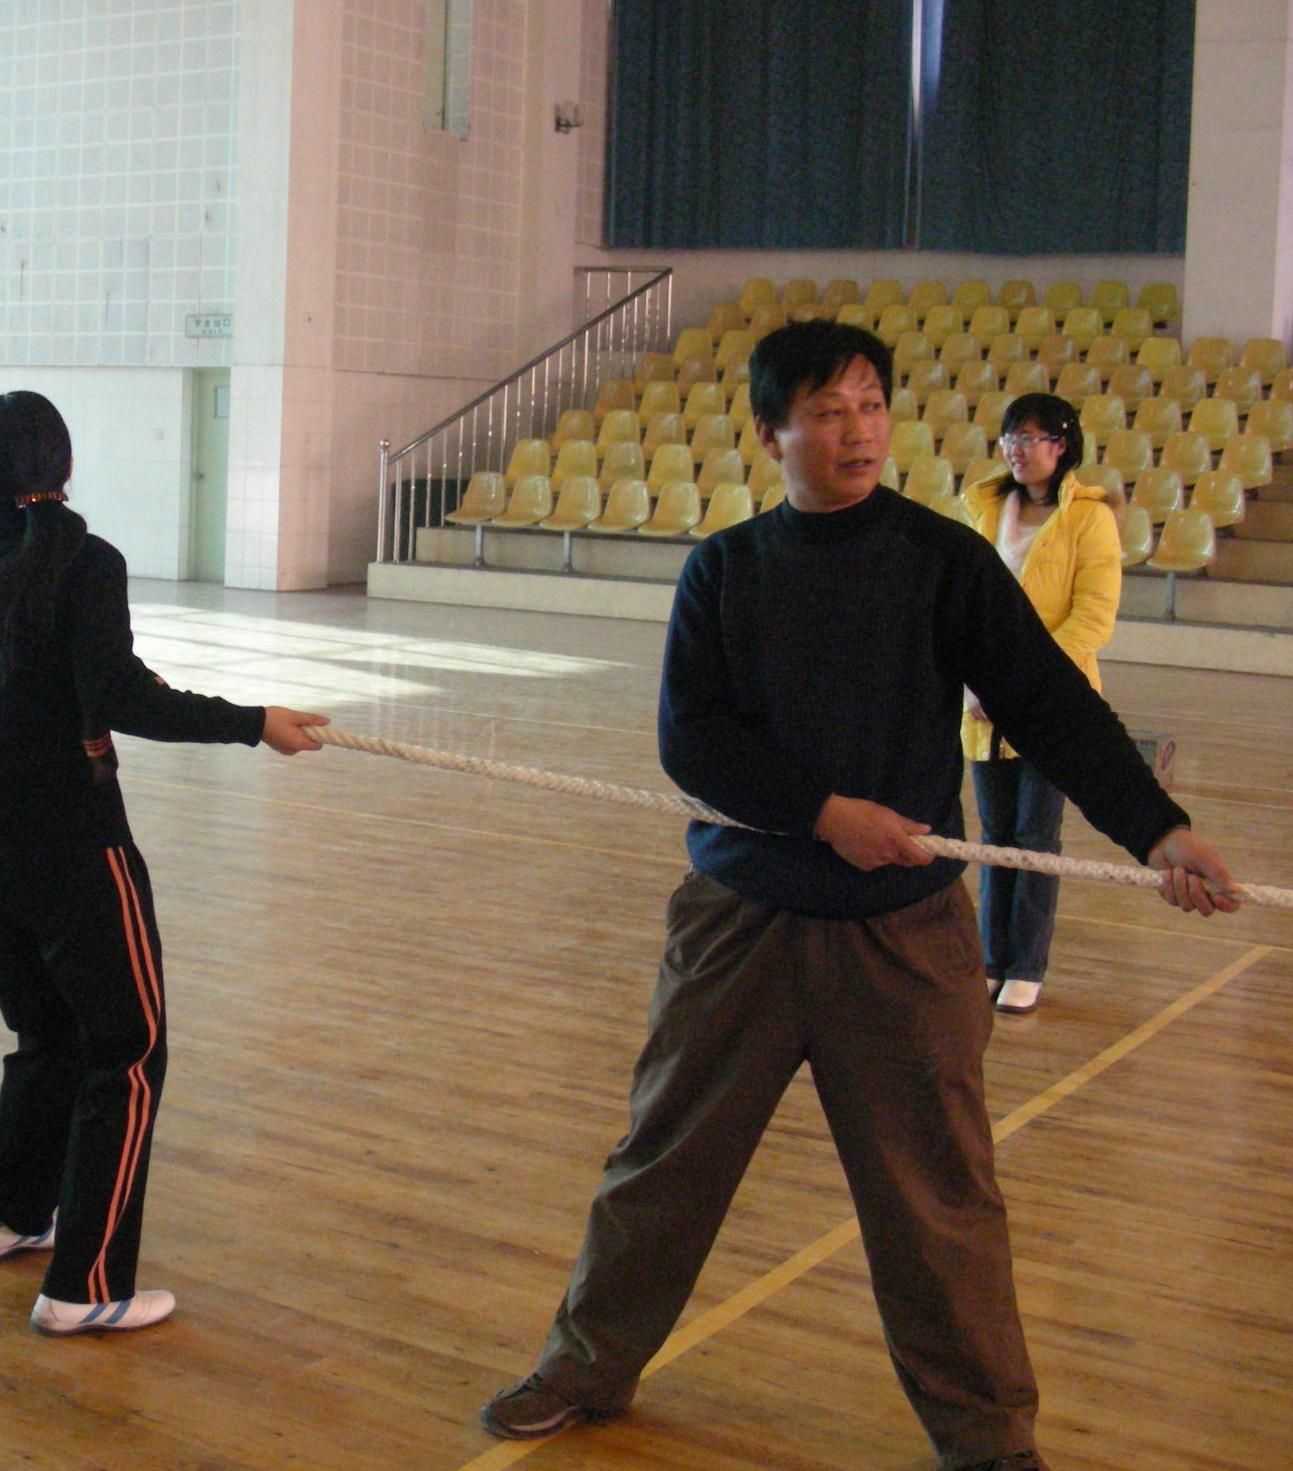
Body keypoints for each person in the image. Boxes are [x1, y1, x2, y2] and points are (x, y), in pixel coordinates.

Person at [479, 321, 1237, 1471]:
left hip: (904, 937)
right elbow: (691, 742)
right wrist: (824, 813)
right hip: (738, 925)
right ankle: (586, 1364)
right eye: (826, 410)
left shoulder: (941, 561)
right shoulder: (725, 570)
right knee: (662, 1163)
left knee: (940, 1200)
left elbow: (1050, 707)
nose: (856, 430)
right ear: (769, 432)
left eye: (870, 405)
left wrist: (1156, 829)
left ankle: (987, 1438)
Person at [0, 391, 328, 1336]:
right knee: (129, 1047)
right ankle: (86, 1285)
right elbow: (121, 695)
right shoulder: (88, 559)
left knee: (47, 1029)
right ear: (64, 467)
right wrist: (254, 724)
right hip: (67, 837)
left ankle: (6, 1214)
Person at [961, 394, 1123, 1015]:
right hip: (982, 704)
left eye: (1031, 438)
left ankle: (1025, 966)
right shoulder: (981, 509)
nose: (1018, 449)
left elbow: (1093, 617)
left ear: (1062, 446)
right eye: (1011, 437)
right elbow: (962, 607)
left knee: (1035, 836)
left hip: (1053, 701)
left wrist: (1024, 680)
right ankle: (990, 960)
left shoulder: (1090, 518)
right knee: (994, 837)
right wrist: (976, 682)